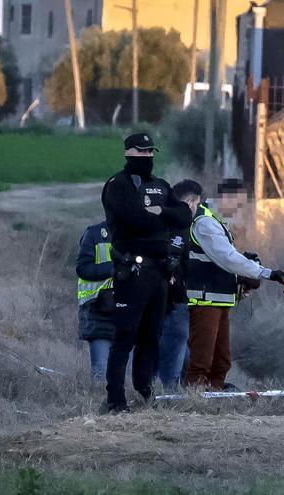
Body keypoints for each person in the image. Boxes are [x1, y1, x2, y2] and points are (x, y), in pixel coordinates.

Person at [100, 132, 193, 414]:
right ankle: (115, 399)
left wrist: (159, 210)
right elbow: (134, 219)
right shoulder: (117, 184)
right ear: (128, 153)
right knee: (125, 335)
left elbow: (184, 216)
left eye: (150, 151)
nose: (147, 157)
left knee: (152, 337)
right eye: (141, 152)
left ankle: (145, 393)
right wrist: (160, 216)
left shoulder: (161, 185)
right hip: (133, 270)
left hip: (160, 273)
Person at [184, 179, 284, 390]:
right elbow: (227, 258)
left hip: (219, 298)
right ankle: (194, 398)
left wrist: (243, 274)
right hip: (205, 300)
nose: (239, 210)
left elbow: (224, 260)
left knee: (221, 359)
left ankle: (214, 393)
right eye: (238, 204)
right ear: (225, 199)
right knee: (202, 358)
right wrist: (264, 273)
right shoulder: (205, 222)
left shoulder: (217, 221)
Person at [156, 179, 202, 389]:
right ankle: (170, 391)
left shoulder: (159, 219)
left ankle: (164, 388)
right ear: (191, 202)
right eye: (197, 204)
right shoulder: (183, 225)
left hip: (155, 295)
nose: (196, 209)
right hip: (175, 297)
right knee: (175, 344)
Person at [75, 221, 114, 381]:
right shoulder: (95, 233)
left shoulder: (139, 230)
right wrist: (114, 267)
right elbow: (83, 268)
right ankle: (100, 403)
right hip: (98, 309)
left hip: (129, 310)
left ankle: (130, 404)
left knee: (128, 374)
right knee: (101, 372)